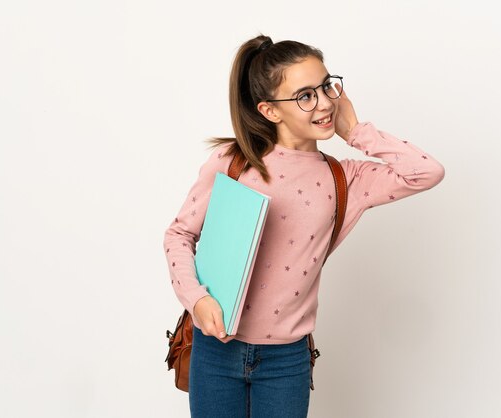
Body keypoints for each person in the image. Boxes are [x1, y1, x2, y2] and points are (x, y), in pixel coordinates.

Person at [163, 34, 445, 418]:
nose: (326, 102)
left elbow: (426, 172)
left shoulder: (345, 178)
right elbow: (179, 234)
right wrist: (197, 298)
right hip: (216, 352)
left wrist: (357, 132)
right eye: (305, 95)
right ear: (270, 111)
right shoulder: (233, 163)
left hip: (286, 361)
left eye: (327, 86)